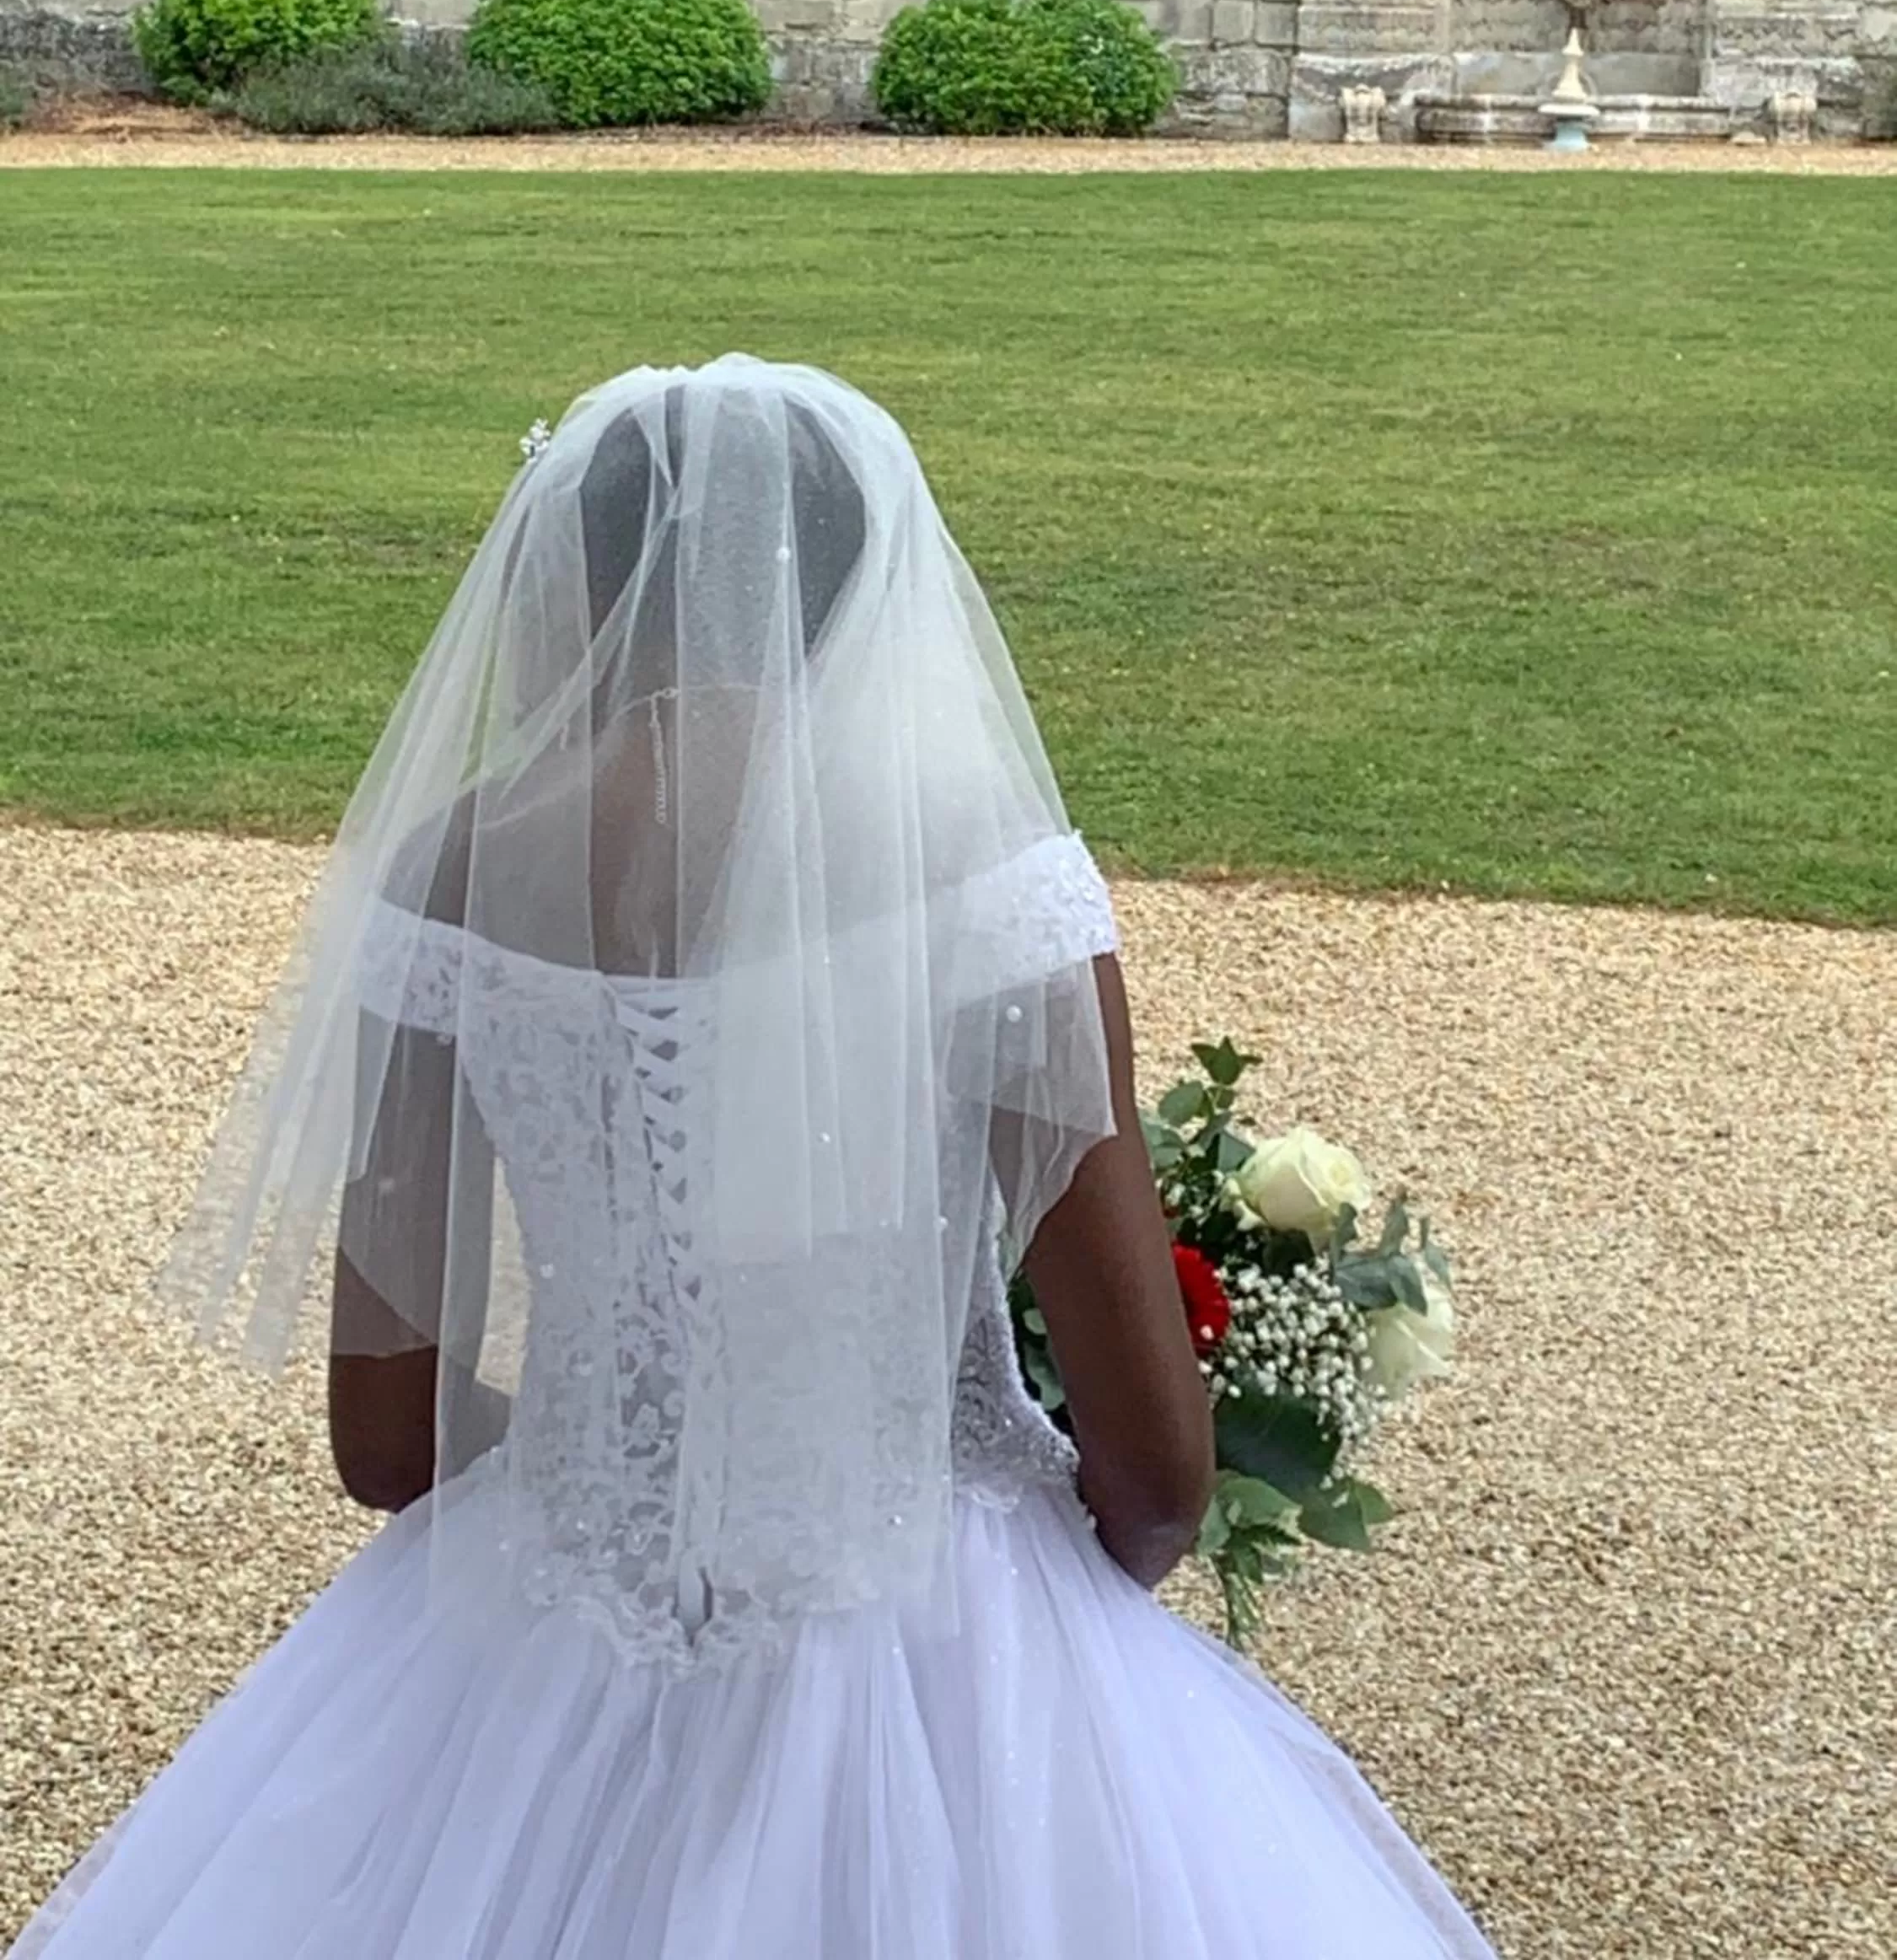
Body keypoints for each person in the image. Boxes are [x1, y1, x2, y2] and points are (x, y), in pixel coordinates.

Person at [11, 357, 1498, 1958]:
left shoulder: (452, 875)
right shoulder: (984, 883)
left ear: (569, 573)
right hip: (937, 1611)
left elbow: (386, 1441)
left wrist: (624, 1439)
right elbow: (1155, 1471)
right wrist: (1073, 1604)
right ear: (868, 585)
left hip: (550, 1615)